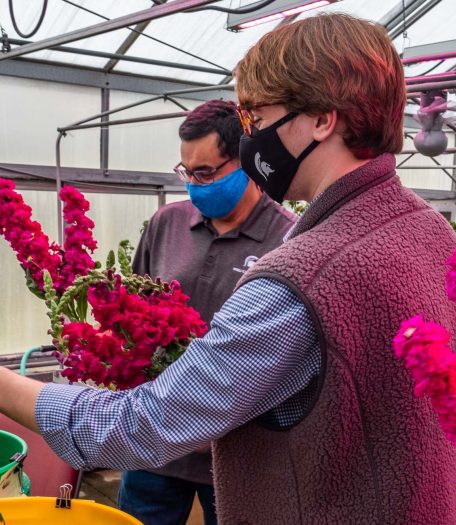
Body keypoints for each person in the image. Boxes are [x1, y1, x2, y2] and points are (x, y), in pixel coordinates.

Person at [0, 13, 456, 524]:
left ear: (324, 119)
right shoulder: (427, 231)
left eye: (258, 115)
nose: (251, 137)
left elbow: (149, 423)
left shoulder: (304, 275)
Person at [119, 100, 295, 525]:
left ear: (246, 161)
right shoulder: (166, 224)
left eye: (205, 173)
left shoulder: (288, 238)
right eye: (186, 173)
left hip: (236, 452)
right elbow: (134, 314)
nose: (194, 185)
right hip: (156, 443)